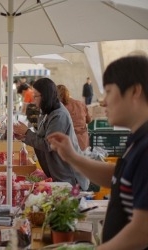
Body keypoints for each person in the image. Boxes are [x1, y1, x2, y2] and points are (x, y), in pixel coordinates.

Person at [48, 55, 148, 249]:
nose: (103, 102)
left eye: (109, 91)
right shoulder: (137, 140)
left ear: (135, 91)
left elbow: (142, 231)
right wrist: (72, 157)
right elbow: (117, 176)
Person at [13, 78, 89, 190]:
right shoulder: (46, 112)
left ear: (45, 96)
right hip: (59, 173)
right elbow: (41, 137)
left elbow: (48, 144)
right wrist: (25, 136)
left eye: (36, 96)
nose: (33, 100)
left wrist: (27, 132)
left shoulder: (59, 115)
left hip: (70, 178)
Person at [57, 84, 92, 151]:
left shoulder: (59, 107)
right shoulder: (80, 104)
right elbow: (89, 120)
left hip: (68, 142)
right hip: (83, 141)